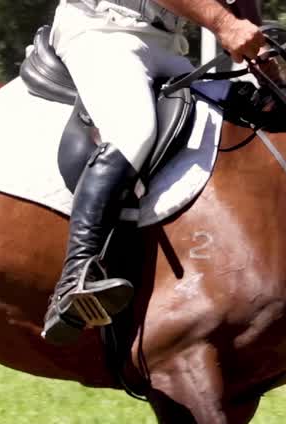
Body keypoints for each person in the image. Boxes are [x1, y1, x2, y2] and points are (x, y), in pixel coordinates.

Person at [41, 0, 268, 345]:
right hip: (101, 29)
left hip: (165, 43)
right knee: (134, 130)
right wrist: (226, 24)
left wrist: (262, 55)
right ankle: (75, 276)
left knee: (233, 114)